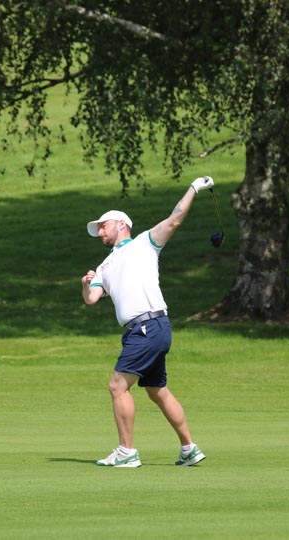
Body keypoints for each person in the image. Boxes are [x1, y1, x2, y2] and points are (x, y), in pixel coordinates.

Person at [81, 175, 214, 468]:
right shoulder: (104, 265)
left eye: (103, 226)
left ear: (121, 224)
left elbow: (175, 219)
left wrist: (193, 187)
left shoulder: (145, 243)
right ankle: (189, 448)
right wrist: (86, 282)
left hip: (148, 326)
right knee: (157, 390)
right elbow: (91, 299)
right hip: (145, 330)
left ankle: (126, 452)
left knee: (118, 386)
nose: (100, 232)